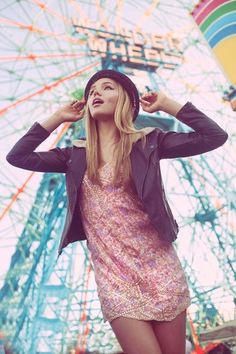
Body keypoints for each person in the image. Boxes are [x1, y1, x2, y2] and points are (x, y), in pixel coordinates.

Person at [6, 69, 228, 354]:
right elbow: (18, 156)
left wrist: (167, 104)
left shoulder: (149, 143)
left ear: (126, 100)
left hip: (160, 269)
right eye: (91, 92)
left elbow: (214, 136)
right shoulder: (73, 155)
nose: (96, 93)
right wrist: (57, 118)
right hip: (115, 278)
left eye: (107, 87)